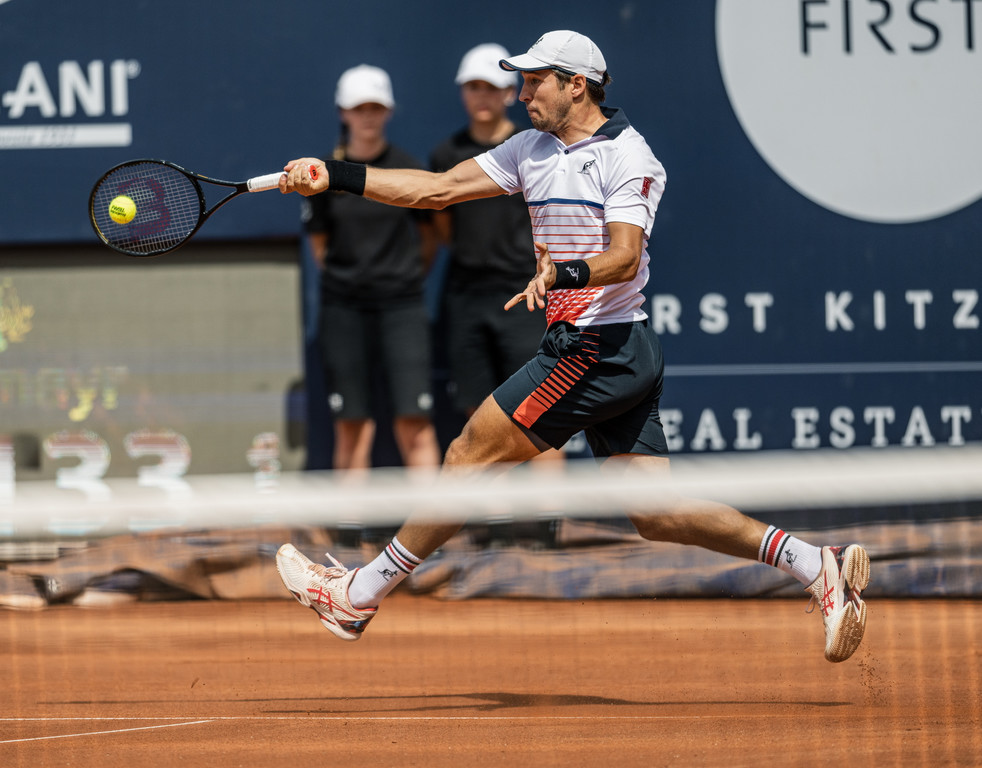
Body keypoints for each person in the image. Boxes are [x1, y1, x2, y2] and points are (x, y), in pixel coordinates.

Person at [275, 31, 871, 663]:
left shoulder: (629, 157)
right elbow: (435, 189)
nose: (521, 94)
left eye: (535, 82)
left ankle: (358, 595)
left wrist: (562, 273)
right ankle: (816, 564)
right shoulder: (530, 147)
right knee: (657, 515)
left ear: (576, 85)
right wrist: (335, 176)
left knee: (468, 453)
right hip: (613, 350)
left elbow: (624, 256)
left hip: (596, 350)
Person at [304, 64, 441, 472]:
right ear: (342, 112)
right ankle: (351, 516)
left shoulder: (408, 168)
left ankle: (430, 515)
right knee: (352, 425)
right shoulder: (322, 176)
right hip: (344, 308)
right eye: (358, 107)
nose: (367, 116)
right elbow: (319, 246)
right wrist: (354, 280)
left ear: (389, 111)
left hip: (402, 307)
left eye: (375, 107)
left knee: (415, 422)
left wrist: (398, 279)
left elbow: (429, 239)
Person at [429, 43, 546, 421]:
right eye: (474, 86)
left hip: (525, 294)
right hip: (466, 296)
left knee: (538, 412)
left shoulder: (534, 149)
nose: (482, 96)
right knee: (479, 417)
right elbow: (444, 226)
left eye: (492, 87)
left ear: (510, 93)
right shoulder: (446, 154)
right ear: (462, 91)